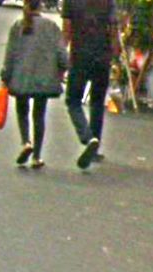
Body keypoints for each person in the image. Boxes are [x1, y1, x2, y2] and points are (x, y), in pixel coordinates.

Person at [0, 0, 68, 168]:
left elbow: (10, 55)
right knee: (39, 115)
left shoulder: (18, 26)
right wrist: (62, 69)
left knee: (22, 110)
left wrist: (5, 77)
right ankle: (37, 156)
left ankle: (26, 142)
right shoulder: (51, 27)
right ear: (41, 6)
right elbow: (62, 54)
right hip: (44, 78)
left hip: (21, 77)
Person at [61, 0, 118, 172]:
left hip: (80, 56)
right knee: (97, 102)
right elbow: (113, 28)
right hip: (102, 56)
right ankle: (95, 145)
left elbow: (66, 31)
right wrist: (114, 53)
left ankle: (87, 137)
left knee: (73, 101)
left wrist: (61, 59)